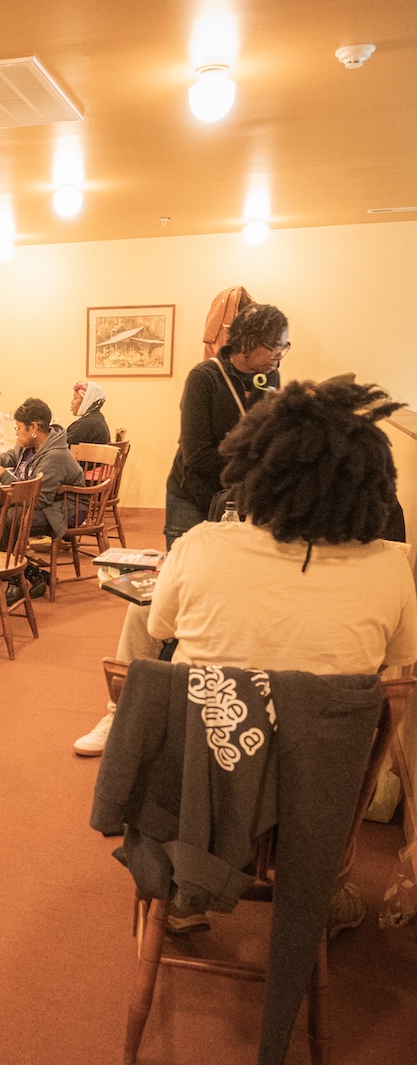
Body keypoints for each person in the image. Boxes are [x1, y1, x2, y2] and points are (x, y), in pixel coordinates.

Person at [86, 380, 417, 934]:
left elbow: (159, 626)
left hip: (200, 794)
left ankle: (187, 886)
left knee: (181, 685)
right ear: (371, 480)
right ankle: (322, 887)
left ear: (252, 468)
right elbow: (396, 663)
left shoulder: (200, 545)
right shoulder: (391, 566)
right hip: (312, 805)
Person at [164, 302, 289, 549]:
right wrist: (254, 465)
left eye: (283, 347)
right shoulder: (204, 378)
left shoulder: (270, 377)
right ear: (247, 342)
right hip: (193, 497)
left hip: (239, 497)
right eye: (273, 347)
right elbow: (197, 455)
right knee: (187, 566)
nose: (278, 356)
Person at [0, 397, 84, 545]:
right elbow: (14, 455)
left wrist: (1, 473)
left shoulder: (55, 456)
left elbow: (37, 500)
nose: (16, 433)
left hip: (63, 511)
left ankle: (16, 558)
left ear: (33, 427)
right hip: (47, 504)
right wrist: (0, 460)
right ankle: (17, 556)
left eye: (18, 428)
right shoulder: (29, 444)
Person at [66, 380, 110, 446]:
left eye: (75, 398)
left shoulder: (85, 425)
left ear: (87, 400)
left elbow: (62, 446)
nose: (72, 402)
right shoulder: (97, 418)